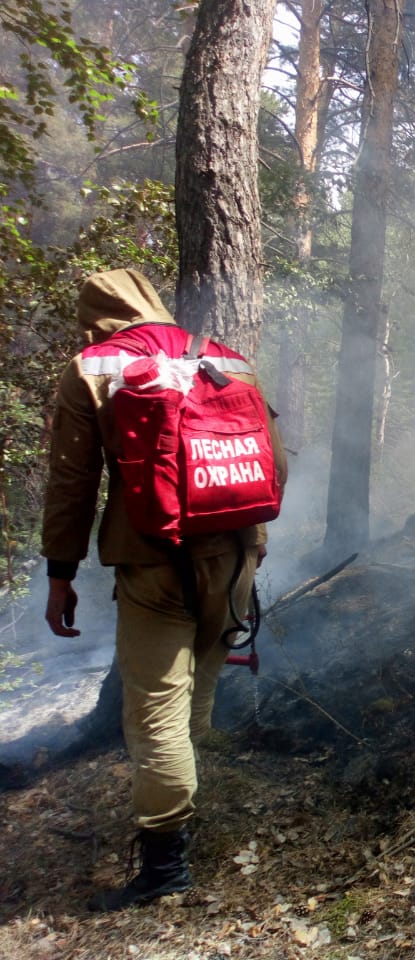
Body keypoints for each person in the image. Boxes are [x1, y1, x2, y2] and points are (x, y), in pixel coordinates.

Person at [41, 268, 288, 911]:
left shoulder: (92, 369)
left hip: (152, 564)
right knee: (196, 694)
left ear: (97, 317)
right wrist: (248, 542)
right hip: (237, 556)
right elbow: (276, 463)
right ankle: (195, 794)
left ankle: (165, 864)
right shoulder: (226, 358)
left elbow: (71, 483)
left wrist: (59, 573)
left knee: (155, 712)